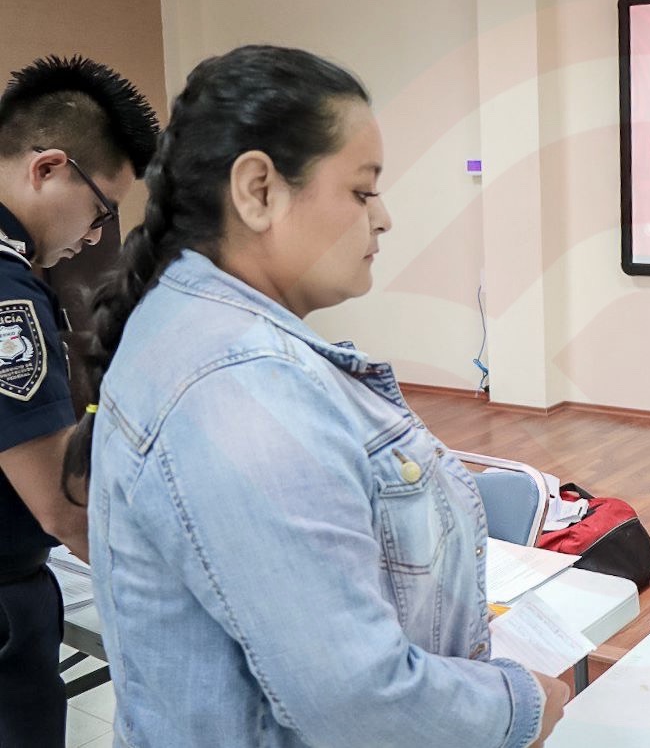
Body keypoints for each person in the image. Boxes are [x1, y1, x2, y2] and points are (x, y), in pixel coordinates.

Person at [62, 45, 568, 747]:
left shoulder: (191, 329)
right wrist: (520, 705)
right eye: (362, 191)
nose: (383, 218)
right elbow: (356, 697)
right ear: (258, 191)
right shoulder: (242, 383)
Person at [0, 55, 157, 746]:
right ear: (47, 168)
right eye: (99, 210)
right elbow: (61, 507)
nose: (94, 236)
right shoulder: (8, 292)